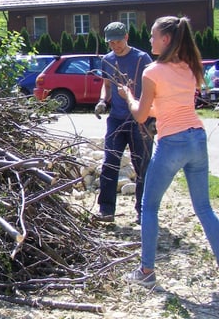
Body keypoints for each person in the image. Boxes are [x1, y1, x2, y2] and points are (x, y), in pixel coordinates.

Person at [120, 16, 219, 287]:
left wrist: (128, 97)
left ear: (165, 39)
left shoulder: (151, 71)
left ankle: (147, 273)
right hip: (196, 138)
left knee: (149, 207)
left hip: (171, 142)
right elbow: (163, 108)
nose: (149, 40)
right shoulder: (189, 67)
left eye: (153, 36)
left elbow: (141, 116)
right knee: (204, 209)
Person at [94, 22, 153, 224]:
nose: (115, 45)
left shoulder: (142, 58)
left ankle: (143, 211)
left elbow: (152, 86)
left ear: (126, 37)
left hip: (140, 120)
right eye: (111, 42)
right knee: (110, 163)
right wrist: (103, 100)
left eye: (118, 41)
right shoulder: (107, 60)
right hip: (116, 119)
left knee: (142, 166)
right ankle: (106, 210)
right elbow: (107, 85)